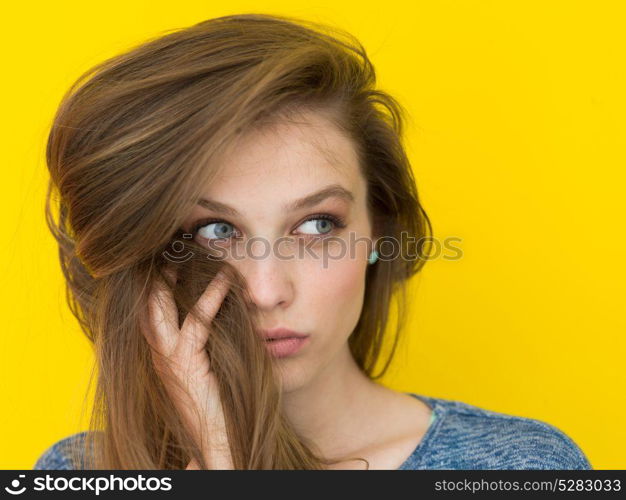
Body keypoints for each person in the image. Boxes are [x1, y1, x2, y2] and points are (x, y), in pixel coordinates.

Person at [33, 13, 591, 470]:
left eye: (318, 225)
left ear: (380, 231)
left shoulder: (518, 468)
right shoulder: (79, 473)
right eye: (214, 231)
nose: (267, 290)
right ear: (148, 256)